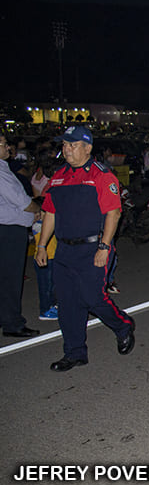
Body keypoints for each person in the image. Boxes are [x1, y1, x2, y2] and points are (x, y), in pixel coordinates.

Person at [36, 126, 135, 371]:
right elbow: (50, 213)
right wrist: (41, 245)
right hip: (65, 251)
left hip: (93, 248)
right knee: (67, 303)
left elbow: (113, 213)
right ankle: (74, 352)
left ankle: (123, 325)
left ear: (87, 148)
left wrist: (104, 246)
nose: (67, 149)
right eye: (64, 145)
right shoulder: (59, 177)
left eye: (72, 145)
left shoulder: (101, 175)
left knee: (93, 298)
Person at [0, 134, 41, 338]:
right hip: (8, 231)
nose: (8, 148)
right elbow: (22, 202)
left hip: (7, 229)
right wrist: (37, 210)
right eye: (3, 144)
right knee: (11, 278)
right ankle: (12, 323)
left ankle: (5, 317)